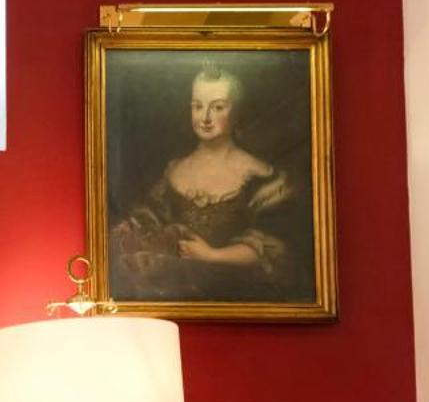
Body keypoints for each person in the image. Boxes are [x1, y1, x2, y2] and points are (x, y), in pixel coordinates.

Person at [109, 63, 303, 302]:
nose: (205, 118)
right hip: (180, 293)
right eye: (198, 106)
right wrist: (133, 228)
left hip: (236, 293)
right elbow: (152, 220)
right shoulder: (174, 170)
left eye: (218, 107)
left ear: (236, 113)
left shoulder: (261, 176)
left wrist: (213, 255)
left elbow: (274, 249)